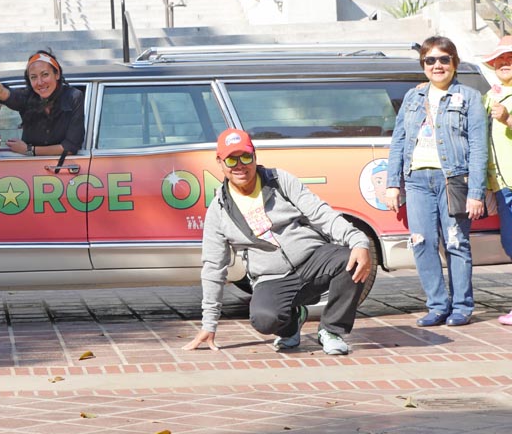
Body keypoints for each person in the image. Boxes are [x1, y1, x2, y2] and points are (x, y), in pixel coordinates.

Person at [184, 128, 372, 356]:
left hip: (312, 259)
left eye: (245, 157)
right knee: (264, 320)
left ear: (255, 156)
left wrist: (359, 241)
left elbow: (322, 214)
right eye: (232, 159)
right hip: (272, 277)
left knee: (350, 259)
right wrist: (209, 324)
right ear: (220, 162)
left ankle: (331, 330)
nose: (240, 165)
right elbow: (214, 267)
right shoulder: (219, 209)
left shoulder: (279, 181)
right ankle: (293, 322)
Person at [385, 35, 487, 327]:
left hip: (452, 180)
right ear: (423, 65)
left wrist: (476, 193)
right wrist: (394, 183)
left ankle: (462, 306)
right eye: (431, 60)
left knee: (456, 242)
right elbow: (398, 141)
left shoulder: (469, 97)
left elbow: (479, 147)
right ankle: (437, 305)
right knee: (421, 242)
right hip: (417, 180)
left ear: (454, 63)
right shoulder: (413, 97)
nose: (437, 65)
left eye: (444, 59)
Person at [0, 50, 85, 156]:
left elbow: (70, 148)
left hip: (62, 169)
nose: (40, 82)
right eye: (34, 77)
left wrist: (29, 150)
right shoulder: (27, 97)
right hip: (30, 170)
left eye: (45, 74)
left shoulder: (73, 97)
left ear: (57, 74)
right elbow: (3, 93)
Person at [482, 35, 512, 325]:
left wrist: (507, 120)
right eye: (499, 59)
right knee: (510, 243)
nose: (504, 63)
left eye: (510, 58)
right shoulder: (491, 95)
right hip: (501, 184)